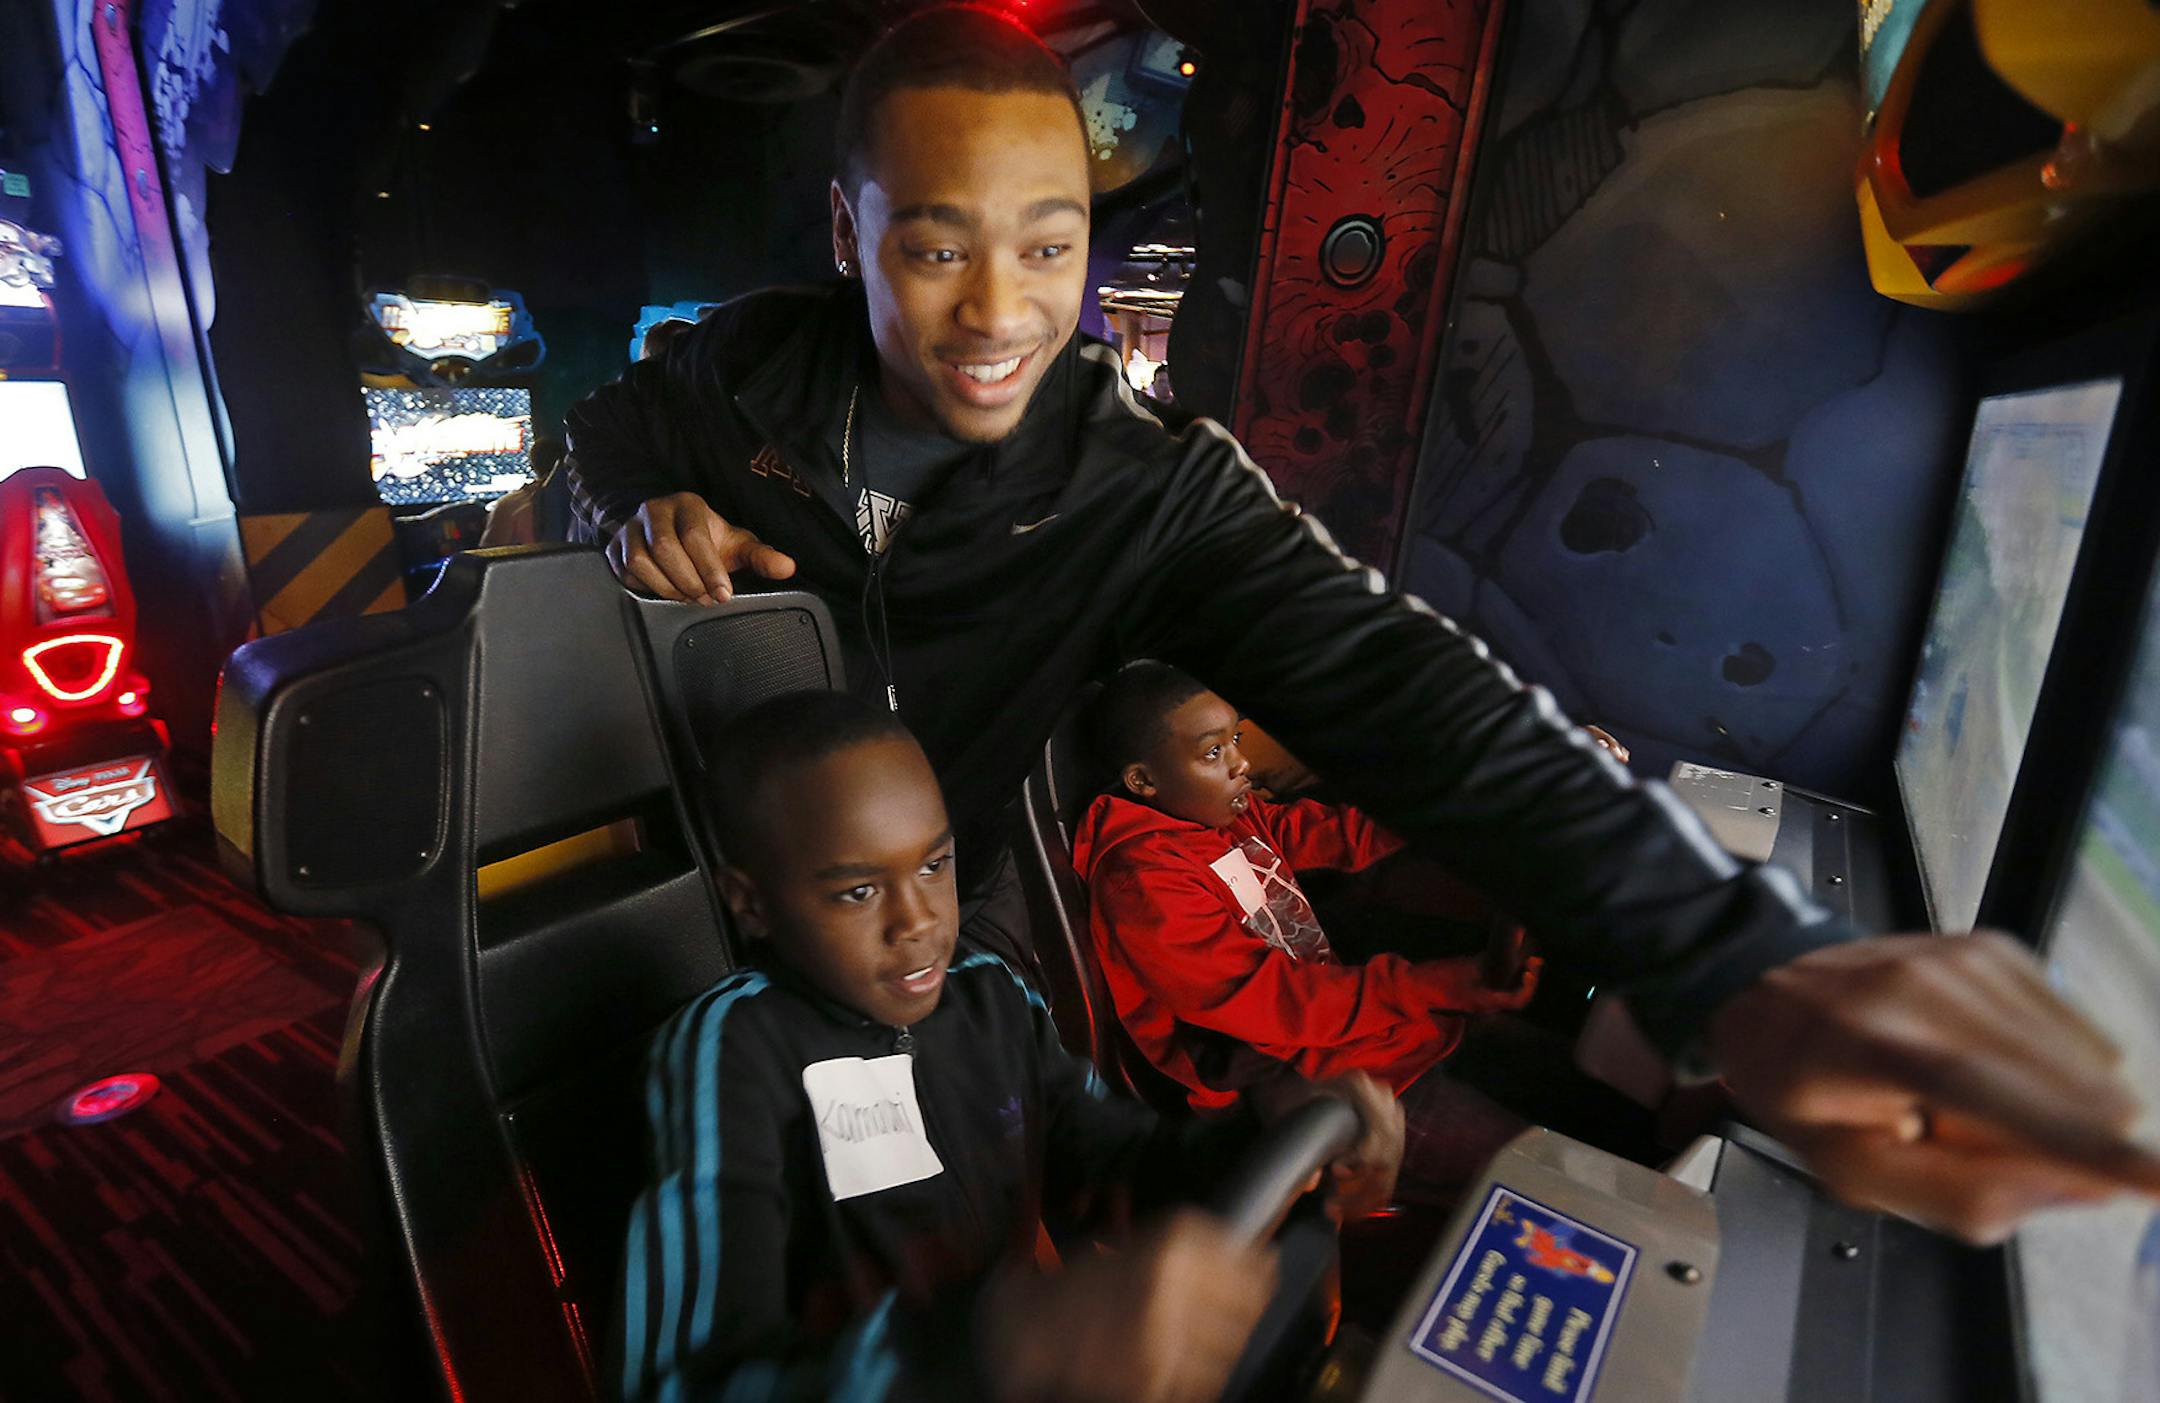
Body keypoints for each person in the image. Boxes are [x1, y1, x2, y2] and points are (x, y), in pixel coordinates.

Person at [566, 3, 2160, 1243]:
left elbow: (1410, 689)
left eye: (1047, 246)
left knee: (912, 1218)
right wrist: (637, 507)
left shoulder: (1146, 486)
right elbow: (610, 431)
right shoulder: (741, 373)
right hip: (657, 852)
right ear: (847, 234)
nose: (999, 313)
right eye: (933, 246)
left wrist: (1742, 957)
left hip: (914, 901)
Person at [616, 689, 1404, 1403]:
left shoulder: (987, 990)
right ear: (751, 902)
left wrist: (1269, 1130)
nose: (918, 920)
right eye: (858, 891)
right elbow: (687, 1382)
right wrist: (1002, 1343)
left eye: (934, 864)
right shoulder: (731, 1050)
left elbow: (1113, 1156)